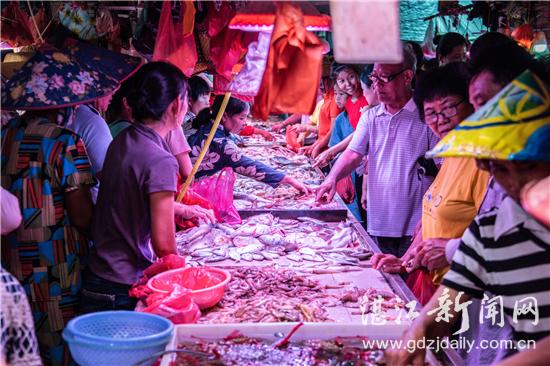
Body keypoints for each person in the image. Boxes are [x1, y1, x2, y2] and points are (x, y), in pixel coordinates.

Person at [386, 69, 550, 366]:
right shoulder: (488, 231)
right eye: (497, 168)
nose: (512, 182)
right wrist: (417, 332)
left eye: (525, 165)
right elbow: (446, 305)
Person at [83, 62, 215, 313]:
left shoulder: (123, 139)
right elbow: (164, 245)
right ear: (177, 104)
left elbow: (130, 196)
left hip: (99, 274)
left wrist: (181, 210)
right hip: (122, 286)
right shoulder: (160, 158)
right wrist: (185, 286)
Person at [1, 47, 102, 366]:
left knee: (21, 345)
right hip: (58, 269)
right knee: (60, 350)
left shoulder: (3, 136)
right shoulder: (66, 142)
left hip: (11, 262)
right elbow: (83, 215)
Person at [370, 63, 490, 301]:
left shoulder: (485, 164)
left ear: (473, 106)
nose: (441, 120)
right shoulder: (450, 156)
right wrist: (405, 261)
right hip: (437, 288)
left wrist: (449, 250)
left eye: (448, 109)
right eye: (431, 113)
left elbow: (494, 236)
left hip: (468, 296)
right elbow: (432, 217)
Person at [316, 43, 439, 258]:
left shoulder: (425, 117)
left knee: (409, 283)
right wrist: (332, 178)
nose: (377, 85)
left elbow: (441, 167)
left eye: (384, 78)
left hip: (416, 223)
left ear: (407, 76)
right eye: (374, 78)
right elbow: (354, 154)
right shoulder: (371, 117)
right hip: (379, 219)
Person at [188, 95, 310, 192]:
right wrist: (289, 179)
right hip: (184, 189)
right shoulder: (220, 142)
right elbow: (248, 165)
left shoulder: (209, 126)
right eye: (241, 118)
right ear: (224, 116)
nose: (245, 123)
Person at [107, 64, 194, 180]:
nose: (188, 106)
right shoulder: (161, 161)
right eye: (187, 98)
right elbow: (188, 175)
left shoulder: (121, 139)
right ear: (176, 105)